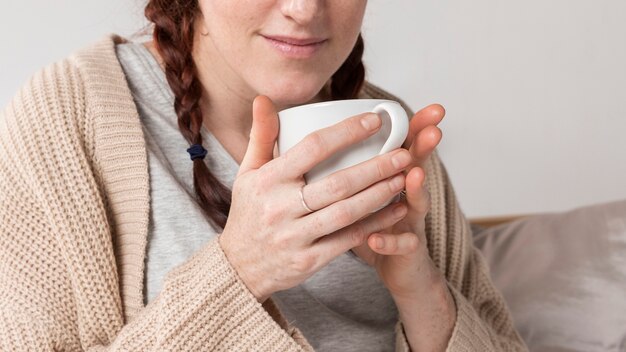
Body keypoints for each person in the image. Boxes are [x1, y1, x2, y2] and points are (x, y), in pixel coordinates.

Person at [0, 0, 527, 351]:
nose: (304, 9)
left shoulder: (389, 126)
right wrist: (242, 269)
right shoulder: (70, 115)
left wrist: (421, 289)